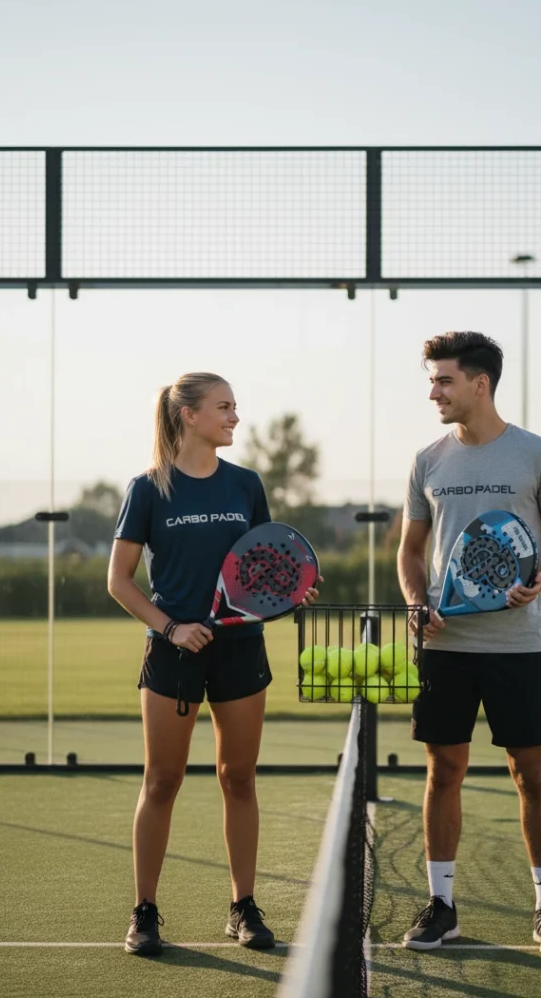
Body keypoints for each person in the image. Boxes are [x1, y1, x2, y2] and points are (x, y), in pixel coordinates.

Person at [107, 372, 320, 957]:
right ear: (188, 416)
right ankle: (144, 911)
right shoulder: (148, 489)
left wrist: (290, 589)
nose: (234, 418)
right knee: (162, 782)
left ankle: (242, 907)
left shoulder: (246, 485)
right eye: (224, 408)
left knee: (239, 779)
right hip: (173, 652)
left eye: (235, 408)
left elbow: (265, 565)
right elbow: (119, 581)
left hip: (239, 649)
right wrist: (172, 628)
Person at [397, 331, 541, 957]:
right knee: (443, 771)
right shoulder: (427, 459)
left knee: (530, 773)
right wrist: (416, 603)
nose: (434, 392)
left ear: (480, 383)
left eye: (443, 380)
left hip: (517, 648)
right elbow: (410, 551)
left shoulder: (538, 454)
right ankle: (442, 905)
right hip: (445, 650)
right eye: (432, 380)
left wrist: (539, 580)